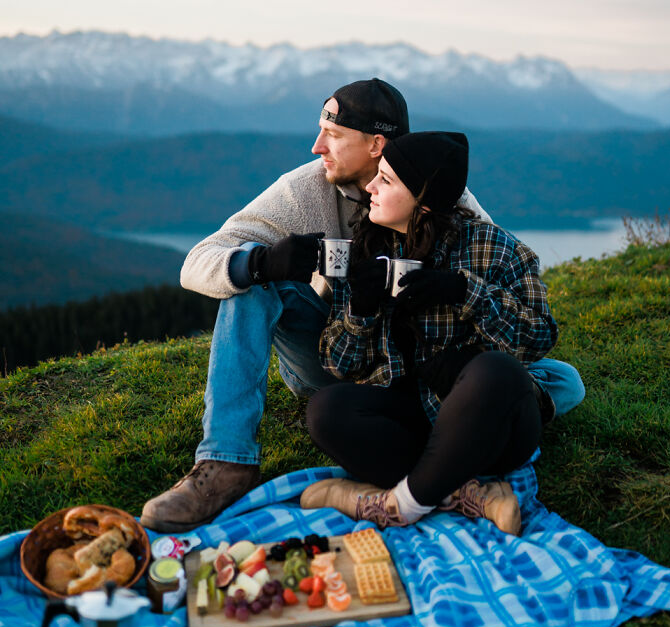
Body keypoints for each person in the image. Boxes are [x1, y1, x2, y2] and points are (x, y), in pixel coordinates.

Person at [140, 80, 584, 533]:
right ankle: (226, 462)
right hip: (338, 355)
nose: (316, 147)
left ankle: (414, 482)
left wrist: (458, 301)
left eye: (333, 134)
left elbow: (498, 288)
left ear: (377, 145)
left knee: (556, 379)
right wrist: (262, 262)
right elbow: (195, 264)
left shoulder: (448, 197)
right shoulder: (303, 192)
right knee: (254, 287)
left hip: (428, 376)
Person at [300, 131, 557, 533]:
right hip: (412, 422)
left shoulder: (496, 248)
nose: (369, 187)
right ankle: (465, 494)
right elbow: (337, 364)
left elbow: (541, 335)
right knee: (326, 411)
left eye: (385, 180)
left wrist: (463, 291)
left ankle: (394, 504)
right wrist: (360, 309)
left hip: (490, 428)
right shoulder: (367, 249)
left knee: (496, 372)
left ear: (425, 199)